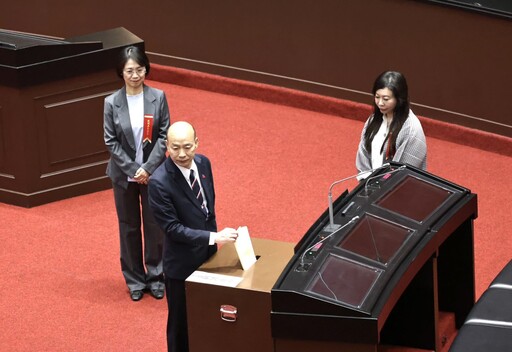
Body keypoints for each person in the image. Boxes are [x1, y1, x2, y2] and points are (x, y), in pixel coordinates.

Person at [148, 121, 239, 352]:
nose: (181, 153)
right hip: (181, 266)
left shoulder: (204, 163)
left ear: (197, 143)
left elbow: (207, 209)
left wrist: (213, 243)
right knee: (180, 326)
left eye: (187, 146)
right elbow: (172, 229)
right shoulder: (159, 182)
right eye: (175, 147)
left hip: (209, 258)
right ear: (167, 145)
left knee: (209, 317)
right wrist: (214, 237)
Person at [103, 46, 170, 301]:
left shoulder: (158, 97)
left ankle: (156, 276)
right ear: (121, 72)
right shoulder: (111, 102)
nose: (135, 75)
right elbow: (110, 141)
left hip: (153, 173)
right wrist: (134, 169)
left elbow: (164, 135)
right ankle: (134, 280)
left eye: (139, 69)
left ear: (146, 69)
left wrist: (148, 168)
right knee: (129, 227)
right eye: (129, 70)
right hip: (123, 176)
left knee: (155, 226)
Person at [356, 71, 427, 179]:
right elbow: (363, 153)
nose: (380, 103)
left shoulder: (410, 130)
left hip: (398, 190)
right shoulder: (374, 119)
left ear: (399, 99)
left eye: (385, 99)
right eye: (377, 97)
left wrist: (378, 188)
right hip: (372, 185)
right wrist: (365, 181)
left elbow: (402, 173)